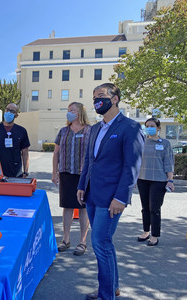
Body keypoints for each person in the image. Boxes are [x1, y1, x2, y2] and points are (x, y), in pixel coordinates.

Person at [76, 83, 144, 300]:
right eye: (94, 97)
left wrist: (121, 198)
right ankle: (112, 287)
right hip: (92, 196)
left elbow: (131, 166)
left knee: (100, 243)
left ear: (115, 99)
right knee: (105, 243)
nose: (97, 101)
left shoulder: (130, 127)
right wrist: (81, 185)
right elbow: (89, 161)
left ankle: (106, 295)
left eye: (102, 96)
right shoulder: (95, 129)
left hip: (112, 199)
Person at [52, 102, 91, 256]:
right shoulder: (63, 131)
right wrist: (54, 172)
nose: (69, 113)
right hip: (66, 173)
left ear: (80, 112)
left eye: (72, 110)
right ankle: (65, 239)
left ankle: (82, 241)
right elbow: (56, 153)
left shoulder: (90, 130)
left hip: (84, 174)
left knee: (83, 208)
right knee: (67, 206)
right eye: (68, 111)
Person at [137, 117, 174, 246]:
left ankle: (155, 235)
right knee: (145, 207)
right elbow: (137, 162)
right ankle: (145, 231)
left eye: (152, 126)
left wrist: (170, 180)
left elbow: (168, 163)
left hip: (158, 180)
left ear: (158, 128)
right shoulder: (141, 142)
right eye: (147, 126)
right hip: (142, 179)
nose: (149, 128)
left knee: (154, 208)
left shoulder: (165, 143)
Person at [0, 103, 30, 186]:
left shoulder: (22, 131)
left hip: (16, 175)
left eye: (12, 111)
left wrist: (26, 172)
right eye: (7, 110)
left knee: (14, 198)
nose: (8, 112)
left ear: (16, 115)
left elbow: (25, 154)